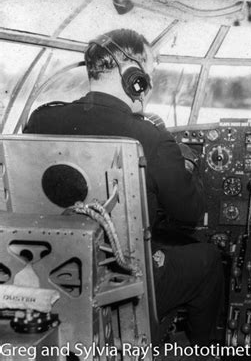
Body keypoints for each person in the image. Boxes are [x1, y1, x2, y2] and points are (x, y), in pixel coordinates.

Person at [24, 28, 223, 346]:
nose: (150, 85)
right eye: (150, 71)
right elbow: (189, 212)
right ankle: (203, 349)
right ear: (134, 75)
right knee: (208, 258)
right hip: (126, 277)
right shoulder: (151, 138)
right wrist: (188, 169)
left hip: (54, 270)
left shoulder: (40, 120)